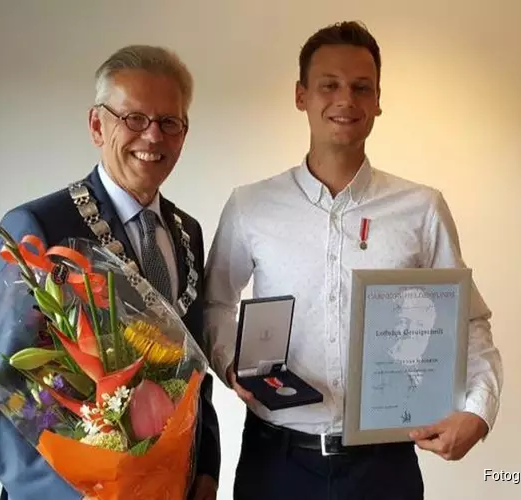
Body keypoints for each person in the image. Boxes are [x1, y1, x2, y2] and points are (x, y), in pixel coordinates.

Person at [204, 21, 503, 499]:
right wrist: (231, 362)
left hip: (384, 465)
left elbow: (467, 318)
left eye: (361, 87)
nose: (346, 99)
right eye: (329, 85)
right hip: (275, 461)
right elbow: (214, 303)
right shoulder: (251, 205)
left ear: (378, 101)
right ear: (301, 95)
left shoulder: (421, 208)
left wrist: (478, 409)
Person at [0, 45, 221, 500]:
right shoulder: (38, 228)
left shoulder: (190, 234)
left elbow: (193, 373)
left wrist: (205, 473)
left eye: (170, 122)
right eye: (134, 119)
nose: (153, 137)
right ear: (96, 125)